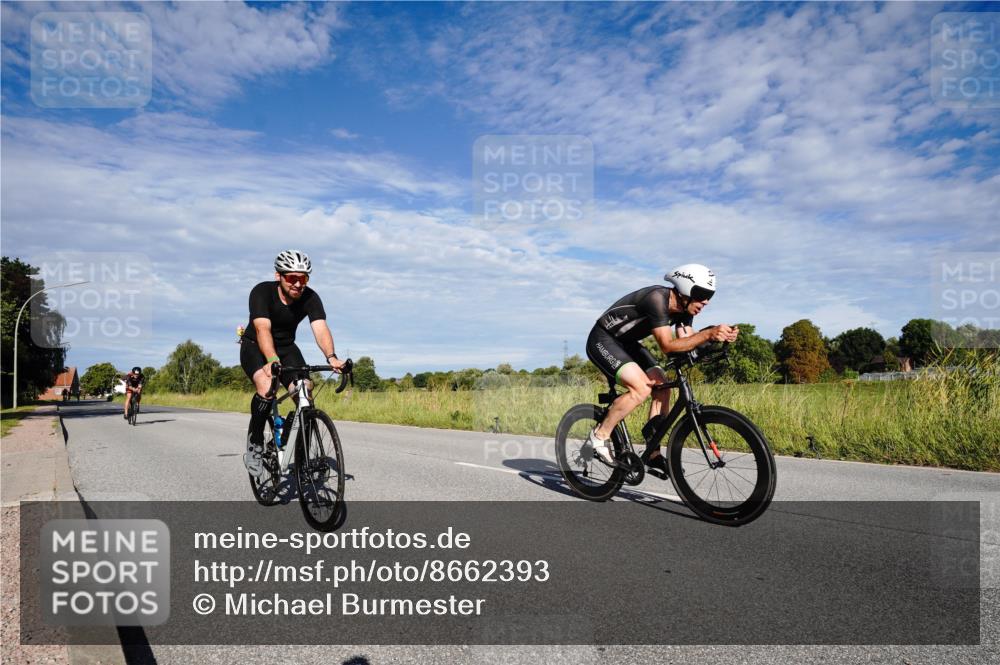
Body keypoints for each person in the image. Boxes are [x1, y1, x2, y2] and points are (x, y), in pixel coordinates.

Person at [584, 264, 739, 474]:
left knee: (662, 387)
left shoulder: (684, 309)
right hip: (603, 339)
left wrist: (716, 337)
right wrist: (709, 334)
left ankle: (652, 451)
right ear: (685, 289)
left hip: (628, 344)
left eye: (709, 296)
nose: (706, 301)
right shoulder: (657, 299)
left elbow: (687, 341)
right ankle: (599, 436)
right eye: (702, 294)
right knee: (641, 388)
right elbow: (667, 346)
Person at [240, 250, 346, 476]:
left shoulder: (310, 297)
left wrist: (332, 357)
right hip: (255, 345)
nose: (298, 284)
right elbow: (262, 329)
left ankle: (294, 444)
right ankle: (255, 445)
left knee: (305, 389)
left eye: (303, 278)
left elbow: (320, 328)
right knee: (266, 386)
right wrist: (271, 360)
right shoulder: (262, 292)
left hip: (286, 347)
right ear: (279, 276)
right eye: (292, 278)